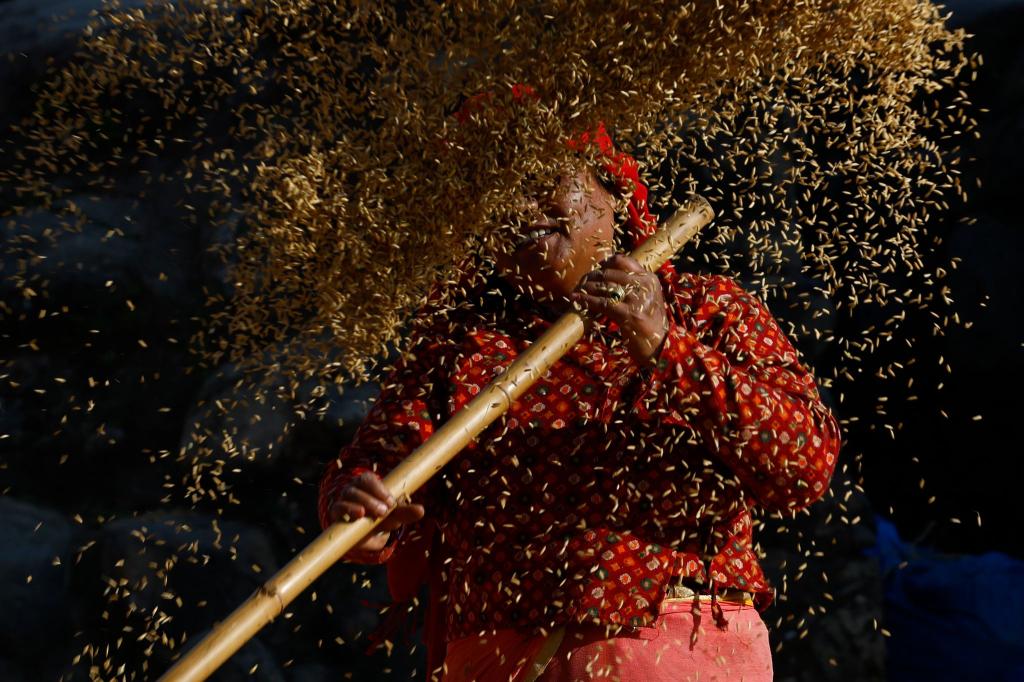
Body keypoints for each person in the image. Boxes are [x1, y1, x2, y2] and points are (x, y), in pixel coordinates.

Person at [317, 106, 842, 680]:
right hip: (497, 658)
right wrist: (364, 511)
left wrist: (667, 349)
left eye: (543, 182)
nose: (518, 207)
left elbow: (805, 465)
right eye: (494, 196)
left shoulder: (703, 309)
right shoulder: (458, 342)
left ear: (610, 191)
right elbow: (372, 474)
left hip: (676, 648)